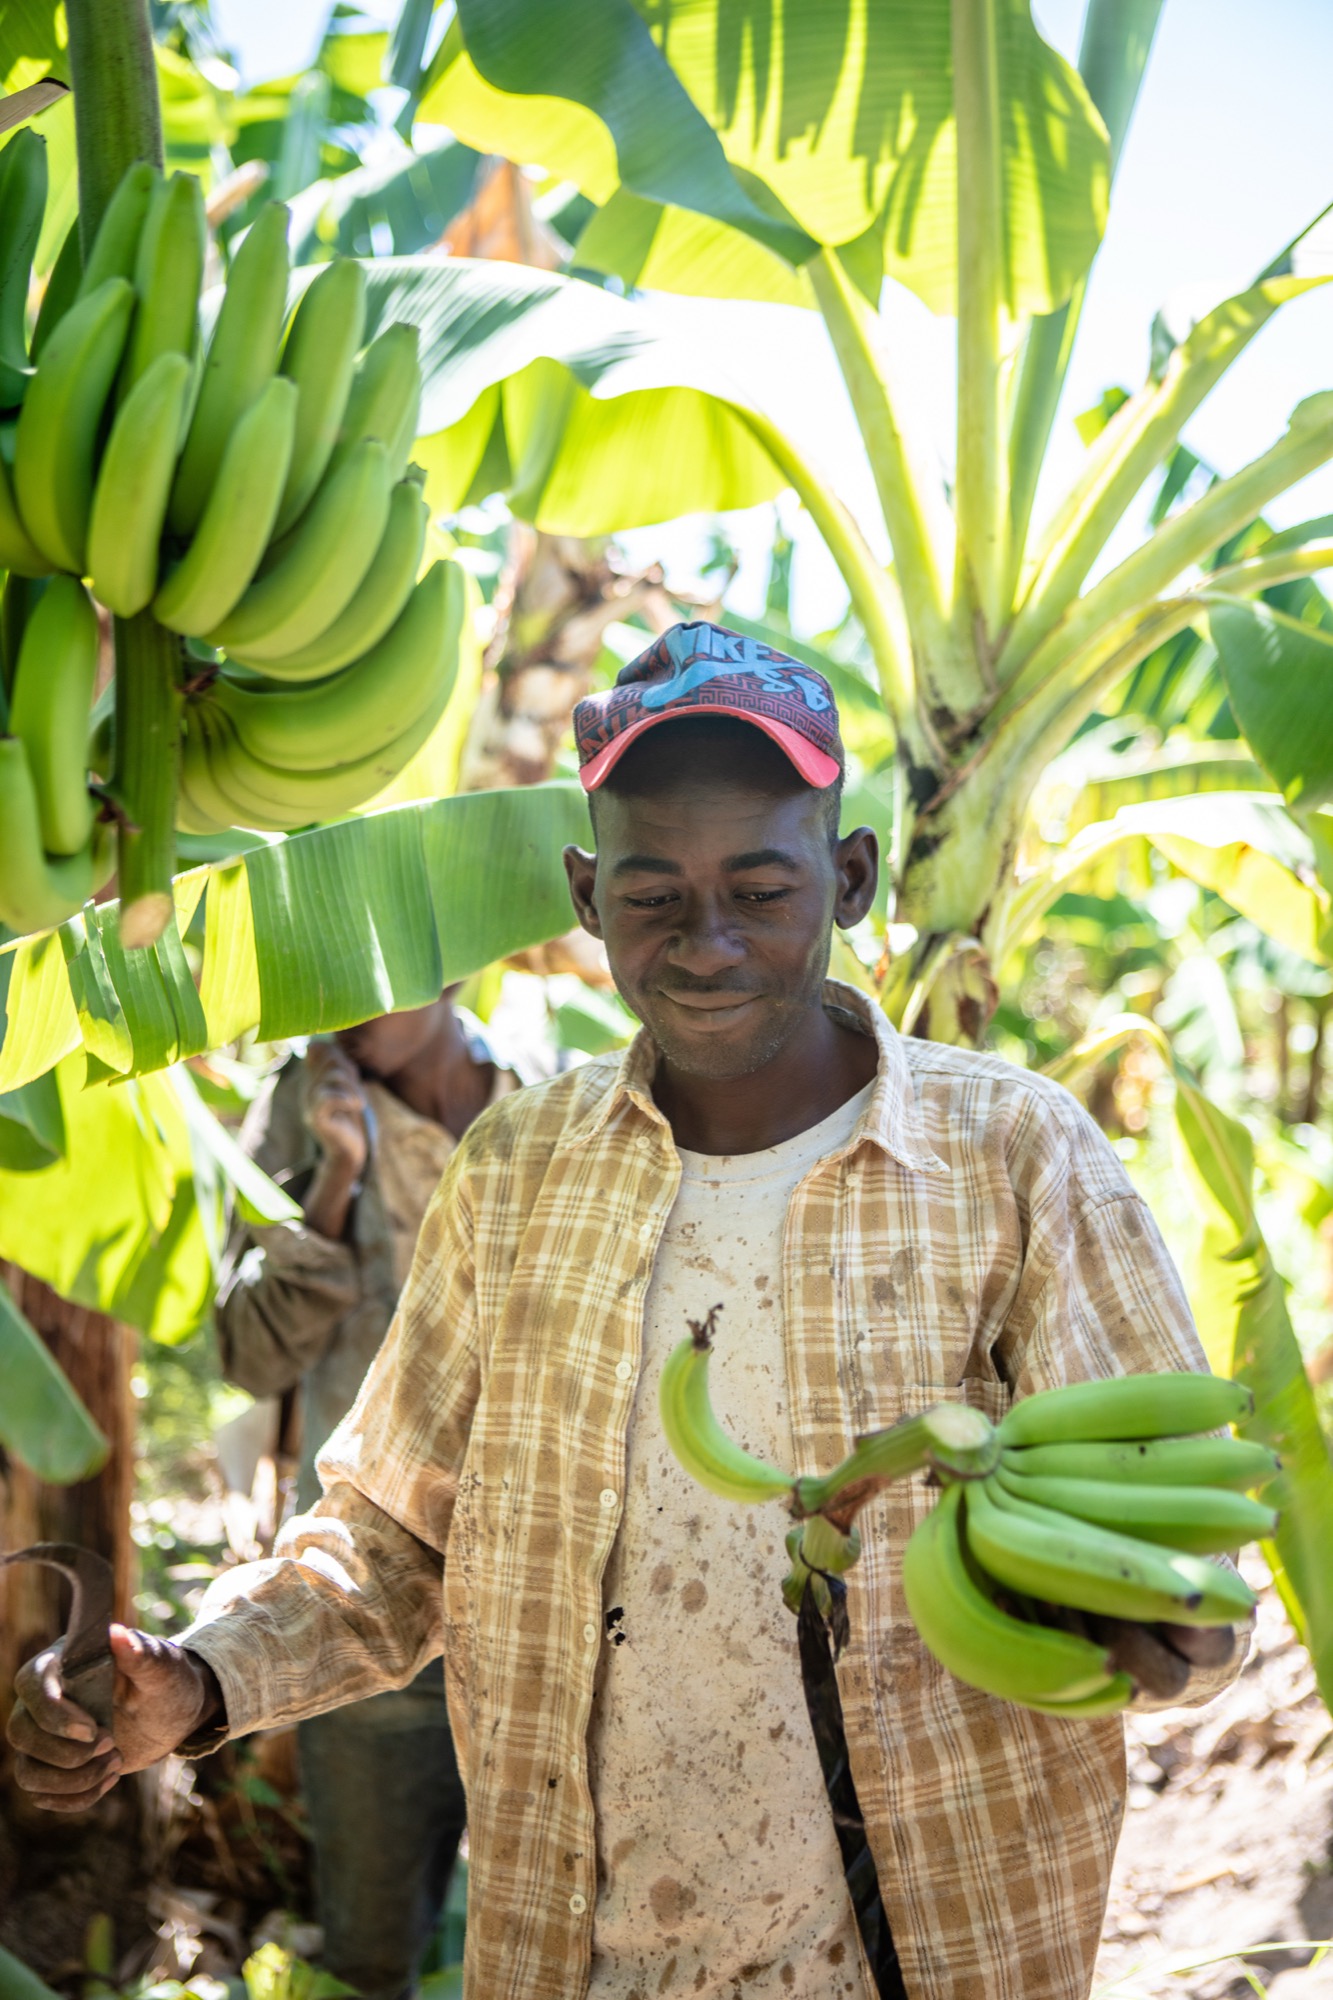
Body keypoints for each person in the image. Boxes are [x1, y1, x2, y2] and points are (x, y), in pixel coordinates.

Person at [10, 623, 1244, 2000]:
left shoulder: (1014, 1158)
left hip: (940, 1946)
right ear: (587, 897)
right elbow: (391, 1533)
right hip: (586, 1952)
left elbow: (1165, 1544)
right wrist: (202, 1678)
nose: (705, 943)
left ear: (848, 877)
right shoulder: (521, 1172)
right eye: (653, 896)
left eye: (761, 890)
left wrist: (1167, 1635)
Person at [215, 993, 535, 2000]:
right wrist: (336, 1173)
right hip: (366, 1581)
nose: (339, 1013)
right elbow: (248, 1348)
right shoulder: (299, 1103)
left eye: (368, 982)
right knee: (372, 1944)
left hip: (547, 1593)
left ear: (443, 970)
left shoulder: (545, 1088)